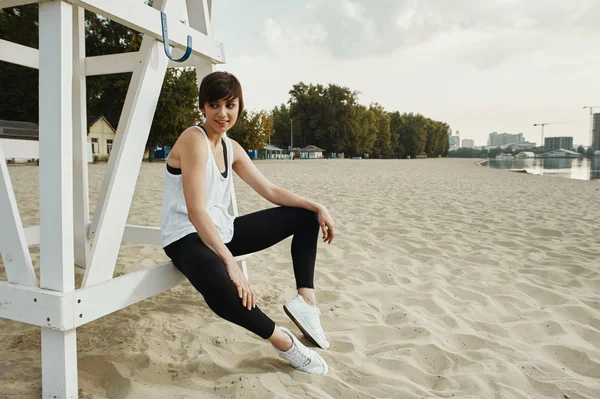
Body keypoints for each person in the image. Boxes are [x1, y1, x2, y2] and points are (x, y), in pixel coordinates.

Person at [161, 71, 335, 375]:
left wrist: (317, 206)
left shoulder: (232, 148)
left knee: (304, 216)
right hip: (186, 237)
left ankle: (306, 303)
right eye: (214, 105)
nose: (222, 113)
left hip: (221, 232)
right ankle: (284, 342)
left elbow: (270, 191)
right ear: (202, 107)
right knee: (220, 282)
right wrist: (230, 263)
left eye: (230, 105)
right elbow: (195, 212)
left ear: (240, 108)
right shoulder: (193, 140)